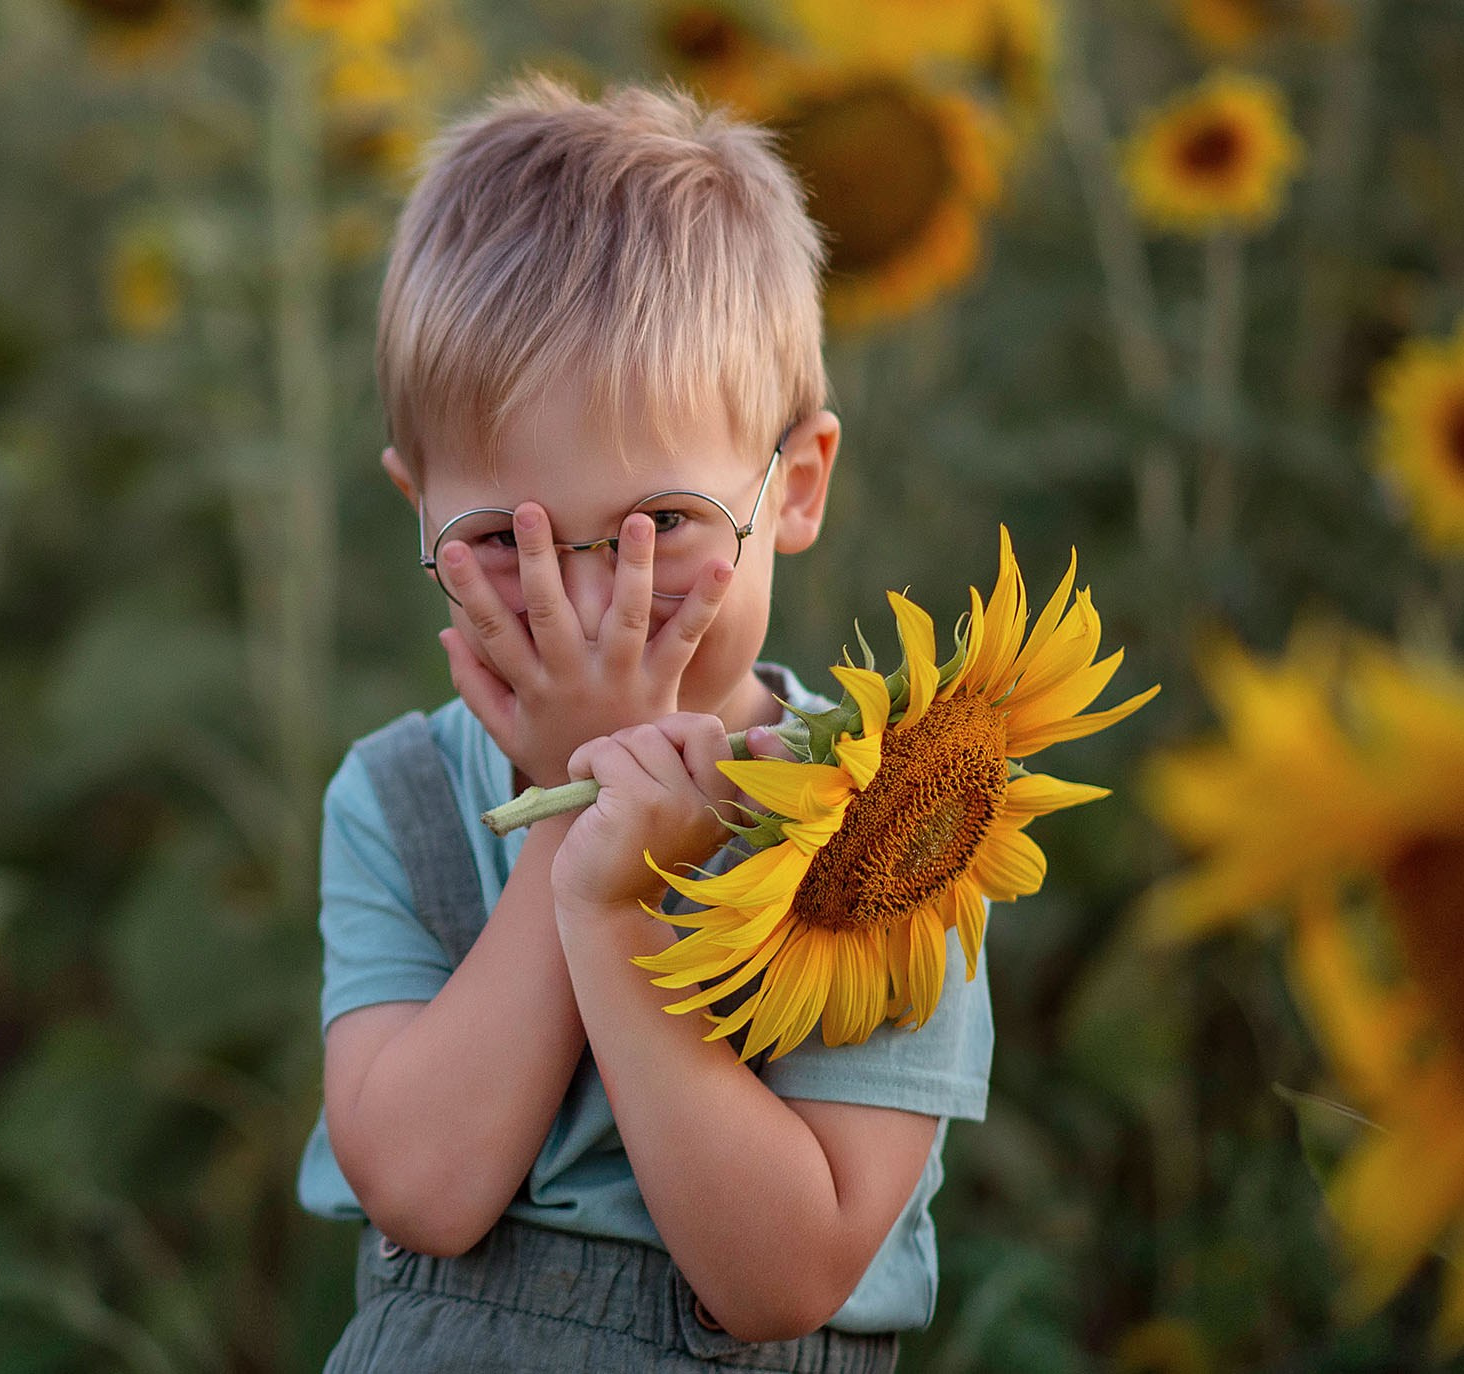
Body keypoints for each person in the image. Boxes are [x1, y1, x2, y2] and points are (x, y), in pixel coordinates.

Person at [296, 70, 993, 1372]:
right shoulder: (394, 798)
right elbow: (425, 1188)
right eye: (506, 540)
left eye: (661, 526)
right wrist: (573, 827)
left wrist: (621, 918)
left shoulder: (897, 812)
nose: (590, 604)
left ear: (794, 487)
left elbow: (782, 1274)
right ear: (416, 508)